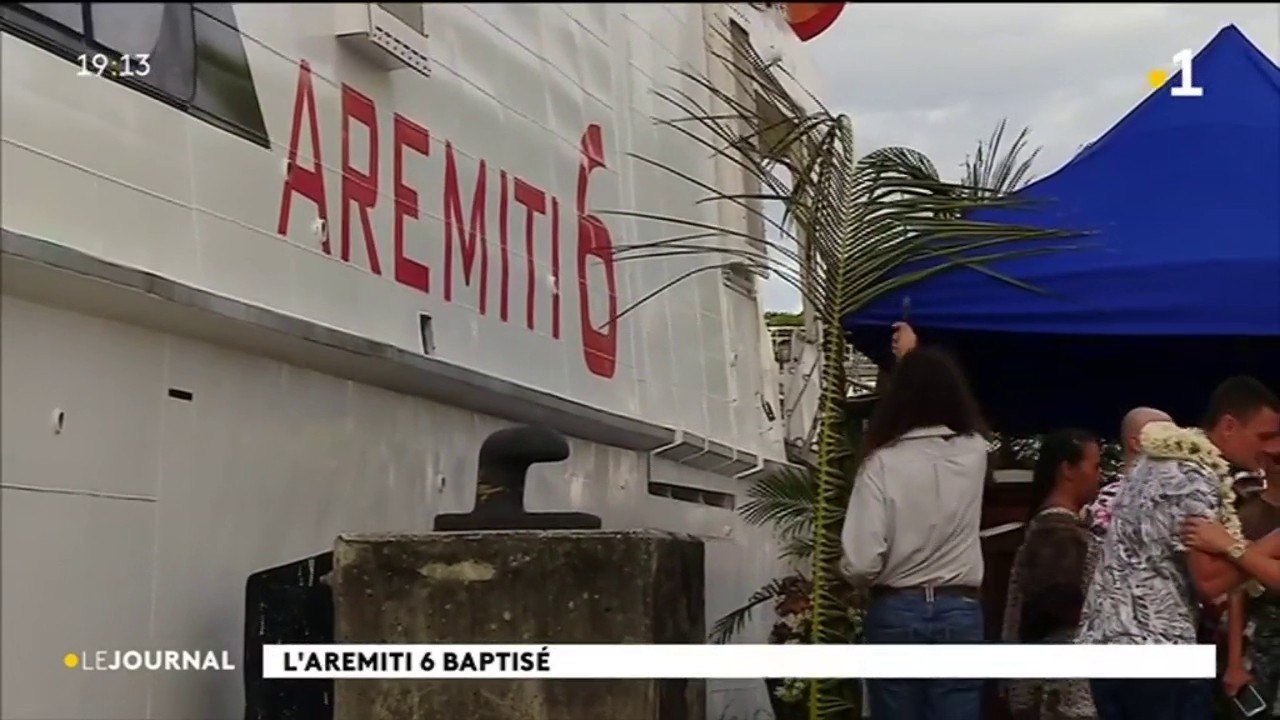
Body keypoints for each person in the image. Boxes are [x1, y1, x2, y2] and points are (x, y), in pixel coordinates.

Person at [1079, 376, 1280, 720]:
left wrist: (1232, 545)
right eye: (1263, 437)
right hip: (1156, 649)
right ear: (1229, 426)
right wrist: (1270, 542)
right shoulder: (1195, 476)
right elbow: (1210, 582)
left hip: (1109, 644)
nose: (1271, 448)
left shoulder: (1156, 461)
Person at [841, 344, 989, 720]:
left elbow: (862, 562)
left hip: (896, 609)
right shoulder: (974, 454)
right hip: (959, 608)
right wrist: (911, 351)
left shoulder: (880, 464)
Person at [1003, 429, 1103, 720]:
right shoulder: (1057, 533)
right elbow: (1053, 612)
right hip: (1059, 694)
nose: (1100, 476)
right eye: (1095, 467)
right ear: (1067, 470)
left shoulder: (1058, 529)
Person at [1217, 450, 1280, 716]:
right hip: (1261, 633)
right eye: (1276, 458)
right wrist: (1234, 663)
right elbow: (1235, 592)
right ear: (1263, 461)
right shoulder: (1246, 517)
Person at [1082, 407, 1171, 535]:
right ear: (1136, 443)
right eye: (1166, 436)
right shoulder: (1109, 502)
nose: (1176, 444)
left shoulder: (1173, 491)